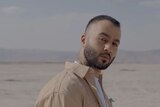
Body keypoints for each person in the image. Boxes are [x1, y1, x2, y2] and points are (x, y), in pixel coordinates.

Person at [34, 15, 121, 107]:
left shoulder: (95, 84)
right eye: (103, 39)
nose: (109, 48)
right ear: (84, 40)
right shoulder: (65, 89)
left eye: (115, 43)